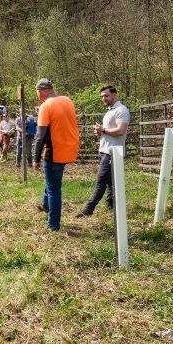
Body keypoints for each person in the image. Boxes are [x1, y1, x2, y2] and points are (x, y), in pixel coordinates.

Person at [76, 86, 130, 218]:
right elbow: (107, 131)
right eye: (102, 96)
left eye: (106, 96)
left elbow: (121, 131)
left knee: (101, 181)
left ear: (114, 95)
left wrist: (103, 130)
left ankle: (89, 208)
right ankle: (111, 205)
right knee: (110, 182)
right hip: (104, 150)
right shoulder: (109, 111)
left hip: (113, 152)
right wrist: (99, 132)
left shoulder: (121, 110)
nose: (103, 99)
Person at [33, 79, 79, 231]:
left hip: (55, 152)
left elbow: (40, 136)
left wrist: (35, 159)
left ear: (40, 93)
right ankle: (45, 205)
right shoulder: (67, 100)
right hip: (70, 148)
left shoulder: (46, 106)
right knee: (51, 179)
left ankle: (53, 224)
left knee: (54, 189)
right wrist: (42, 113)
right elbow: (59, 120)